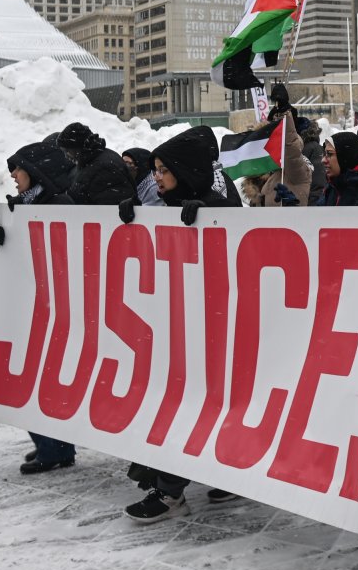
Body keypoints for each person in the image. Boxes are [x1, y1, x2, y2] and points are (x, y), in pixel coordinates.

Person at [116, 125, 241, 521]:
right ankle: (181, 482)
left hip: (214, 331)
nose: (155, 177)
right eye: (153, 170)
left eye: (162, 170)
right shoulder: (169, 209)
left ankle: (170, 492)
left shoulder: (217, 208)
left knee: (190, 409)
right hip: (182, 330)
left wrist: (208, 217)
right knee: (177, 408)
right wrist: (130, 220)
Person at [0, 141, 80, 475]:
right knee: (38, 376)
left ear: (36, 170)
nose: (13, 176)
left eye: (18, 168)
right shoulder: (30, 205)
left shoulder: (57, 204)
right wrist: (5, 240)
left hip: (54, 304)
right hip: (37, 302)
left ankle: (54, 447)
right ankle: (54, 445)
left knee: (40, 376)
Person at [56, 122, 136, 206]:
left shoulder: (104, 168)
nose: (66, 156)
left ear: (78, 147)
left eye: (67, 151)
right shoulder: (89, 160)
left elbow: (110, 209)